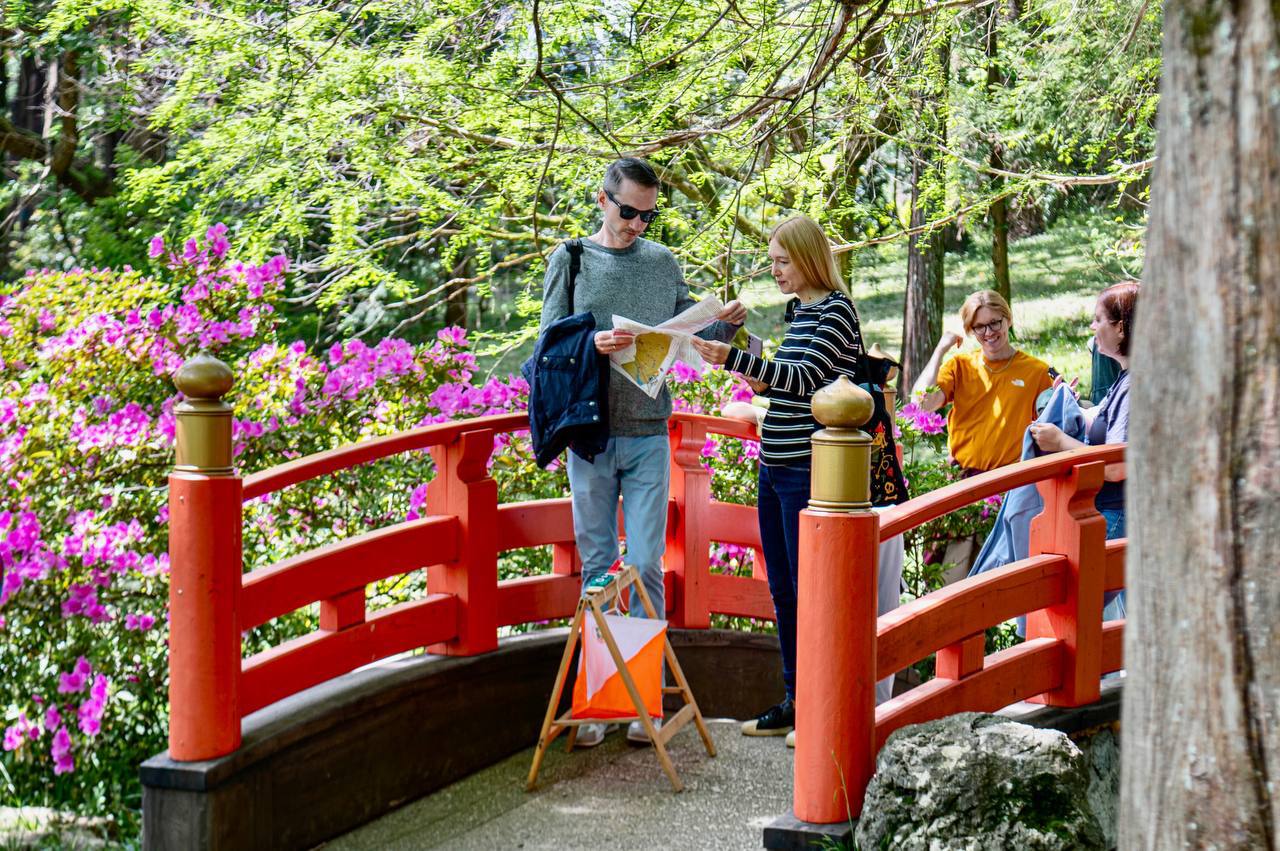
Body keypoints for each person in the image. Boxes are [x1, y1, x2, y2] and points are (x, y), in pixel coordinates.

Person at [539, 157, 746, 747]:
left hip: (651, 429)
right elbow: (547, 343)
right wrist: (593, 342)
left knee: (649, 565)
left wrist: (724, 325)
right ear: (603, 200)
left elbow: (689, 338)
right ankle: (599, 700)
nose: (636, 224)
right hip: (591, 432)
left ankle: (643, 701)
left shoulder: (661, 263)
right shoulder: (571, 259)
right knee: (599, 565)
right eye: (628, 211)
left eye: (648, 216)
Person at [692, 215, 908, 742]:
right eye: (772, 261)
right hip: (774, 462)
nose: (775, 271)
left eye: (782, 261)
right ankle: (795, 696)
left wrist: (736, 359)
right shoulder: (800, 313)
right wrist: (741, 350)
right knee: (784, 589)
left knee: (813, 590)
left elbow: (810, 380)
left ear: (809, 259)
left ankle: (821, 705)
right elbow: (785, 379)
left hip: (809, 468)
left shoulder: (836, 311)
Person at [1028, 282, 1137, 620]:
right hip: (1110, 514)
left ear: (1120, 327)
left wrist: (1061, 442)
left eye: (1098, 319)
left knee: (1082, 615)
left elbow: (1119, 466)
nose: (1093, 328)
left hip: (1117, 514)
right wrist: (1069, 404)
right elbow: (1099, 421)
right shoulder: (1127, 377)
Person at [912, 290, 1054, 475]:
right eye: (979, 326)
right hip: (963, 476)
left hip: (1013, 480)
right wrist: (940, 350)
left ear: (1008, 319)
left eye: (995, 323)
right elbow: (921, 404)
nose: (989, 333)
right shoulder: (960, 366)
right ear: (971, 330)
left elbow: (1055, 427)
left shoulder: (1038, 371)